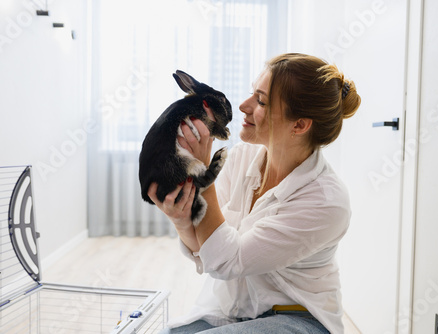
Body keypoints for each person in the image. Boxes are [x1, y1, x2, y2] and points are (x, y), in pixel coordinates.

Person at [149, 53, 361, 334]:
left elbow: (226, 261)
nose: (243, 105)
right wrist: (181, 221)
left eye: (261, 101)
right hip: (235, 312)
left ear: (299, 125)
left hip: (298, 320)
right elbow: (206, 250)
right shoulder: (241, 157)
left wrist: (205, 175)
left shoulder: (326, 201)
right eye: (253, 93)